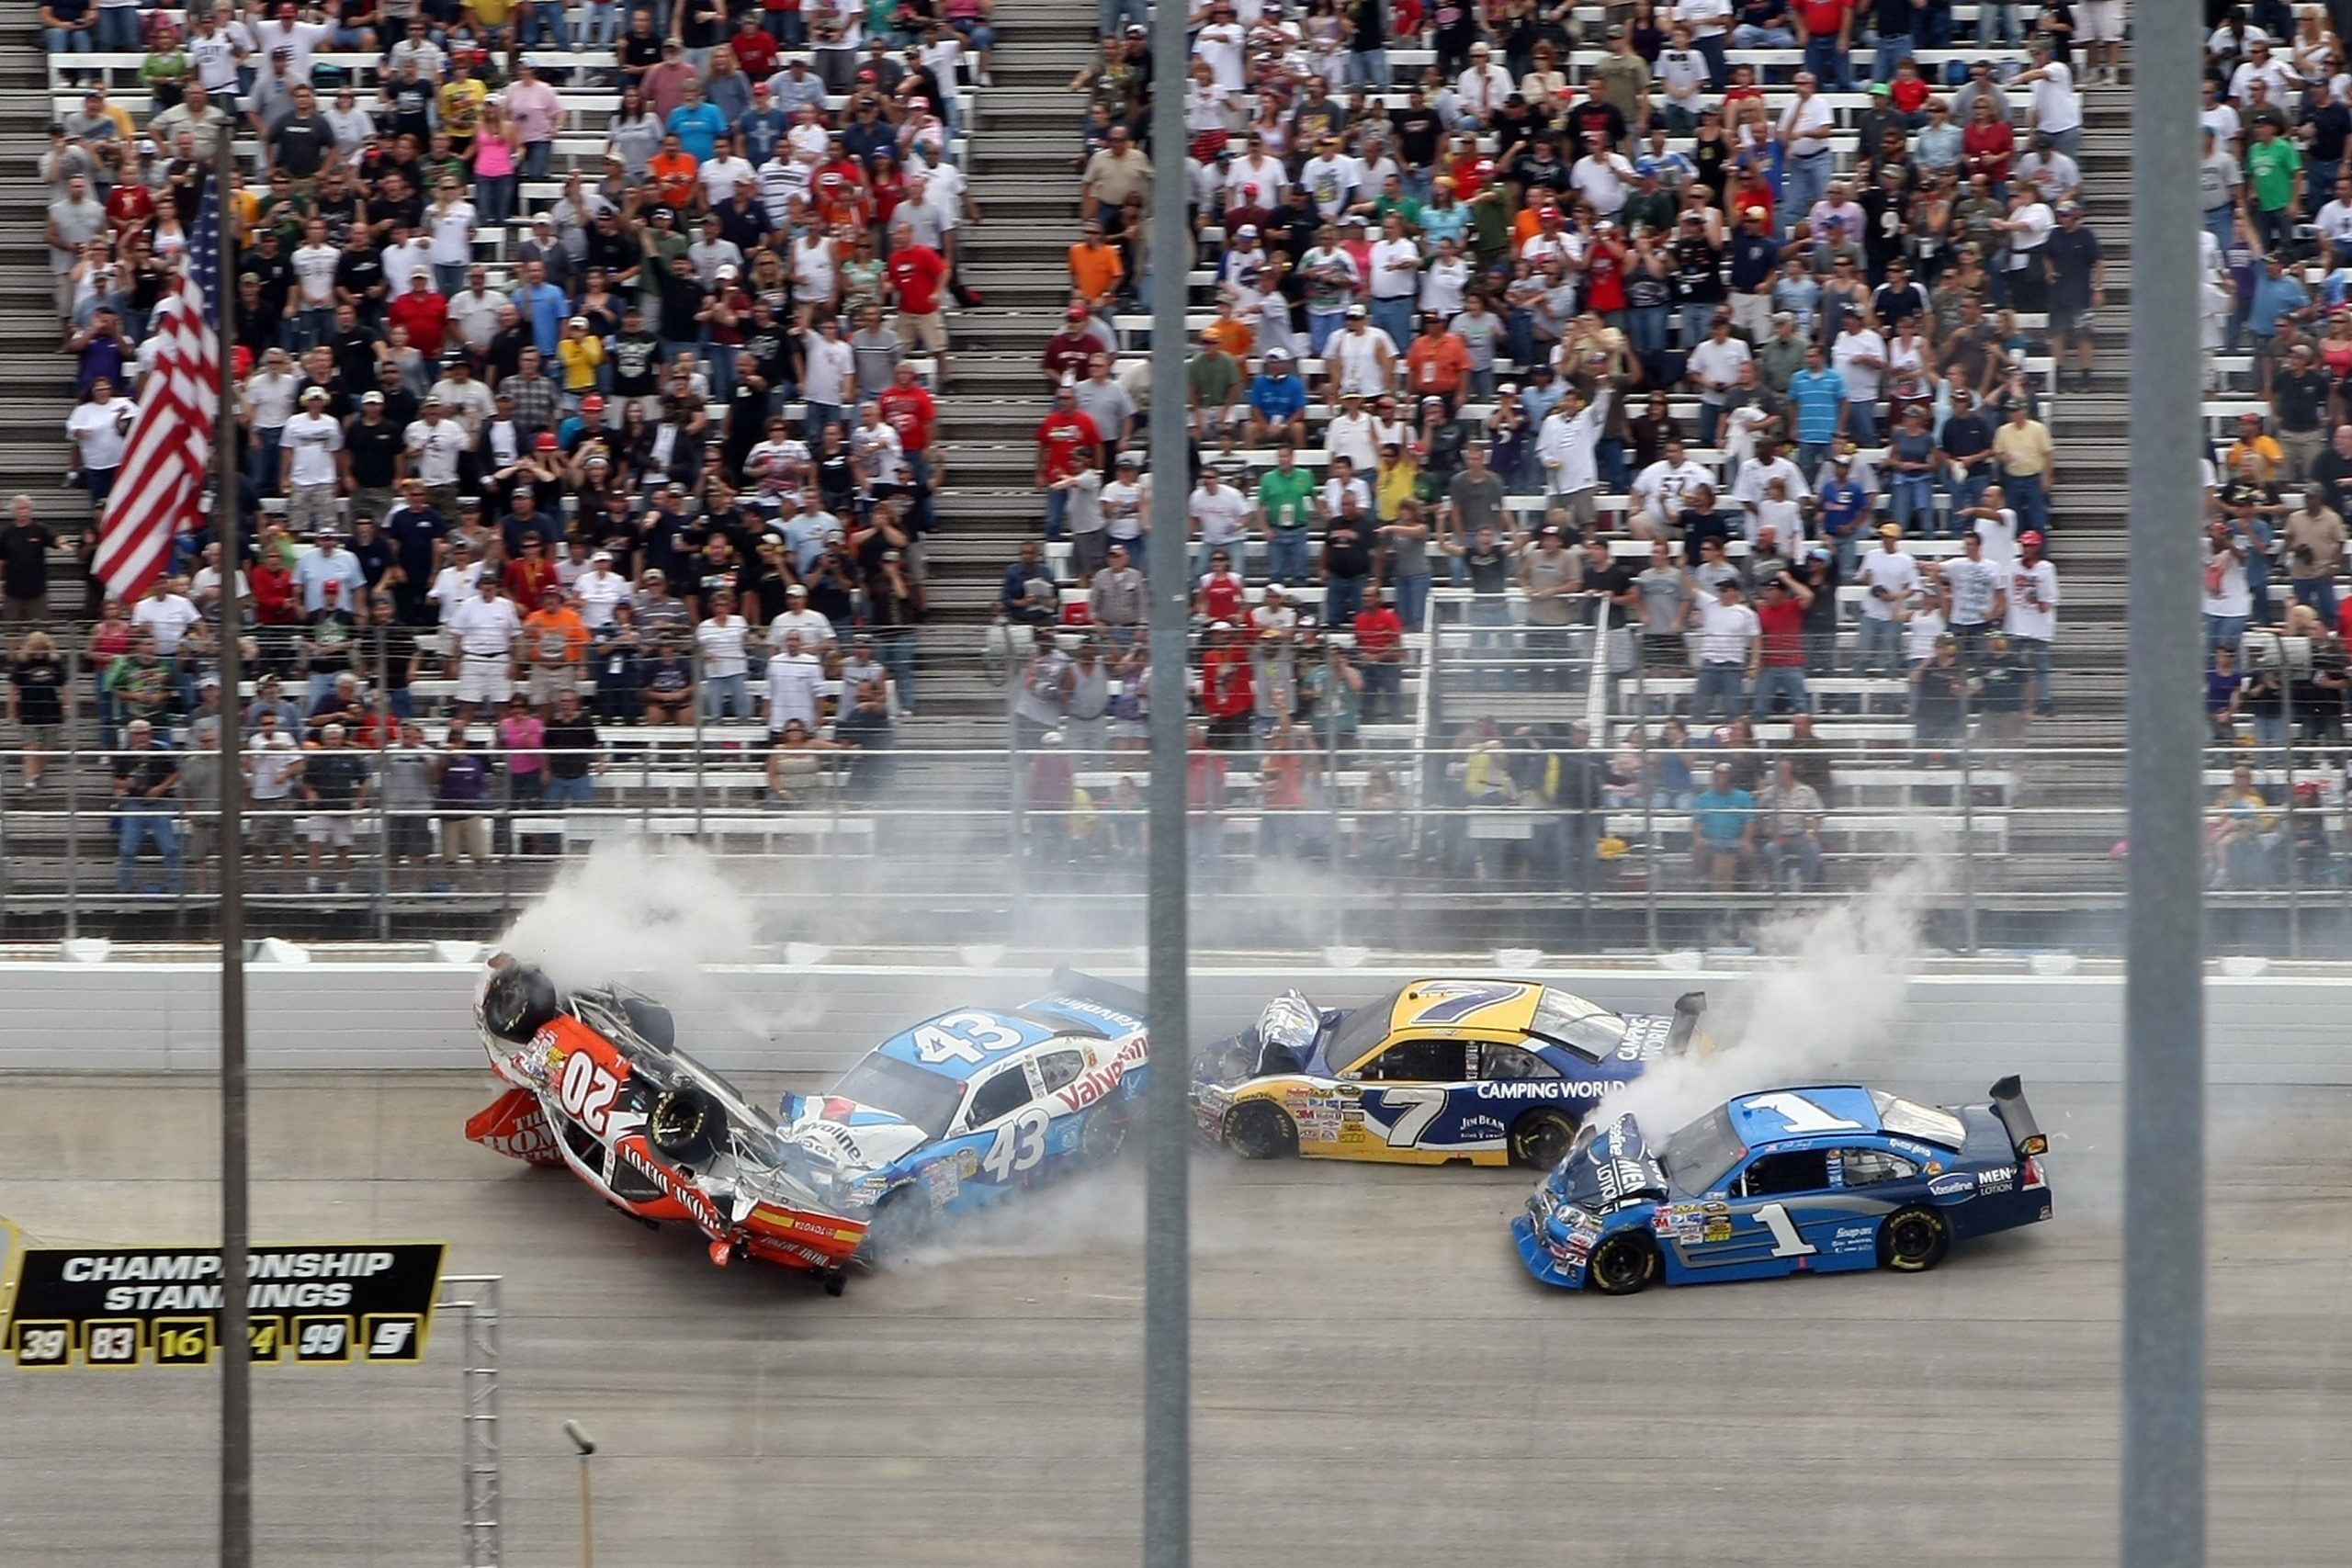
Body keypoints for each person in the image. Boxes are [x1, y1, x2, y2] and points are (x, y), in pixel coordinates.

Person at [111, 717, 182, 893]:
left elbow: (175, 774)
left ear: (150, 734)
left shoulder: (160, 751)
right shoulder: (124, 754)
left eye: (144, 733)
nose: (141, 737)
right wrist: (128, 784)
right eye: (137, 734)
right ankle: (124, 888)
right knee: (127, 849)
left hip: (160, 804)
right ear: (131, 736)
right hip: (134, 804)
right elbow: (115, 781)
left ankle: (176, 888)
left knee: (170, 849)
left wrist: (160, 788)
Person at [1756, 755, 1826, 890]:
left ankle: (1807, 888)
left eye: (1784, 770)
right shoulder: (1769, 793)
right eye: (1779, 770)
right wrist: (1767, 829)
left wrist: (1811, 832)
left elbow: (1819, 815)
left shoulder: (1806, 791)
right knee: (1769, 850)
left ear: (1792, 772)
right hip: (1778, 835)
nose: (1781, 773)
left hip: (1800, 834)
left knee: (1813, 848)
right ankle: (1780, 889)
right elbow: (1759, 814)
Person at [1689, 761, 1755, 890]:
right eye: (1716, 774)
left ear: (1731, 777)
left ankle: (1744, 882)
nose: (1718, 777)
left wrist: (1747, 840)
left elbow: (1749, 821)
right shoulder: (1704, 798)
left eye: (1723, 775)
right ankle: (1703, 879)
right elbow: (1696, 822)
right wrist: (1698, 838)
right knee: (1698, 846)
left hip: (1736, 840)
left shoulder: (1744, 797)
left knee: (1749, 850)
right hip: (1712, 840)